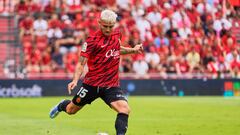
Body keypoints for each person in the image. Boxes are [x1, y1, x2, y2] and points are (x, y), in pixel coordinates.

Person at [49, 9, 143, 135]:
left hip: (111, 85)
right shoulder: (91, 41)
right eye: (105, 26)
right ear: (99, 22)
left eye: (111, 26)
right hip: (91, 85)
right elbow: (81, 63)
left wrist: (133, 50)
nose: (108, 30)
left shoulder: (116, 35)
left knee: (124, 109)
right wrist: (75, 80)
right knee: (71, 110)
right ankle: (61, 105)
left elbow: (117, 49)